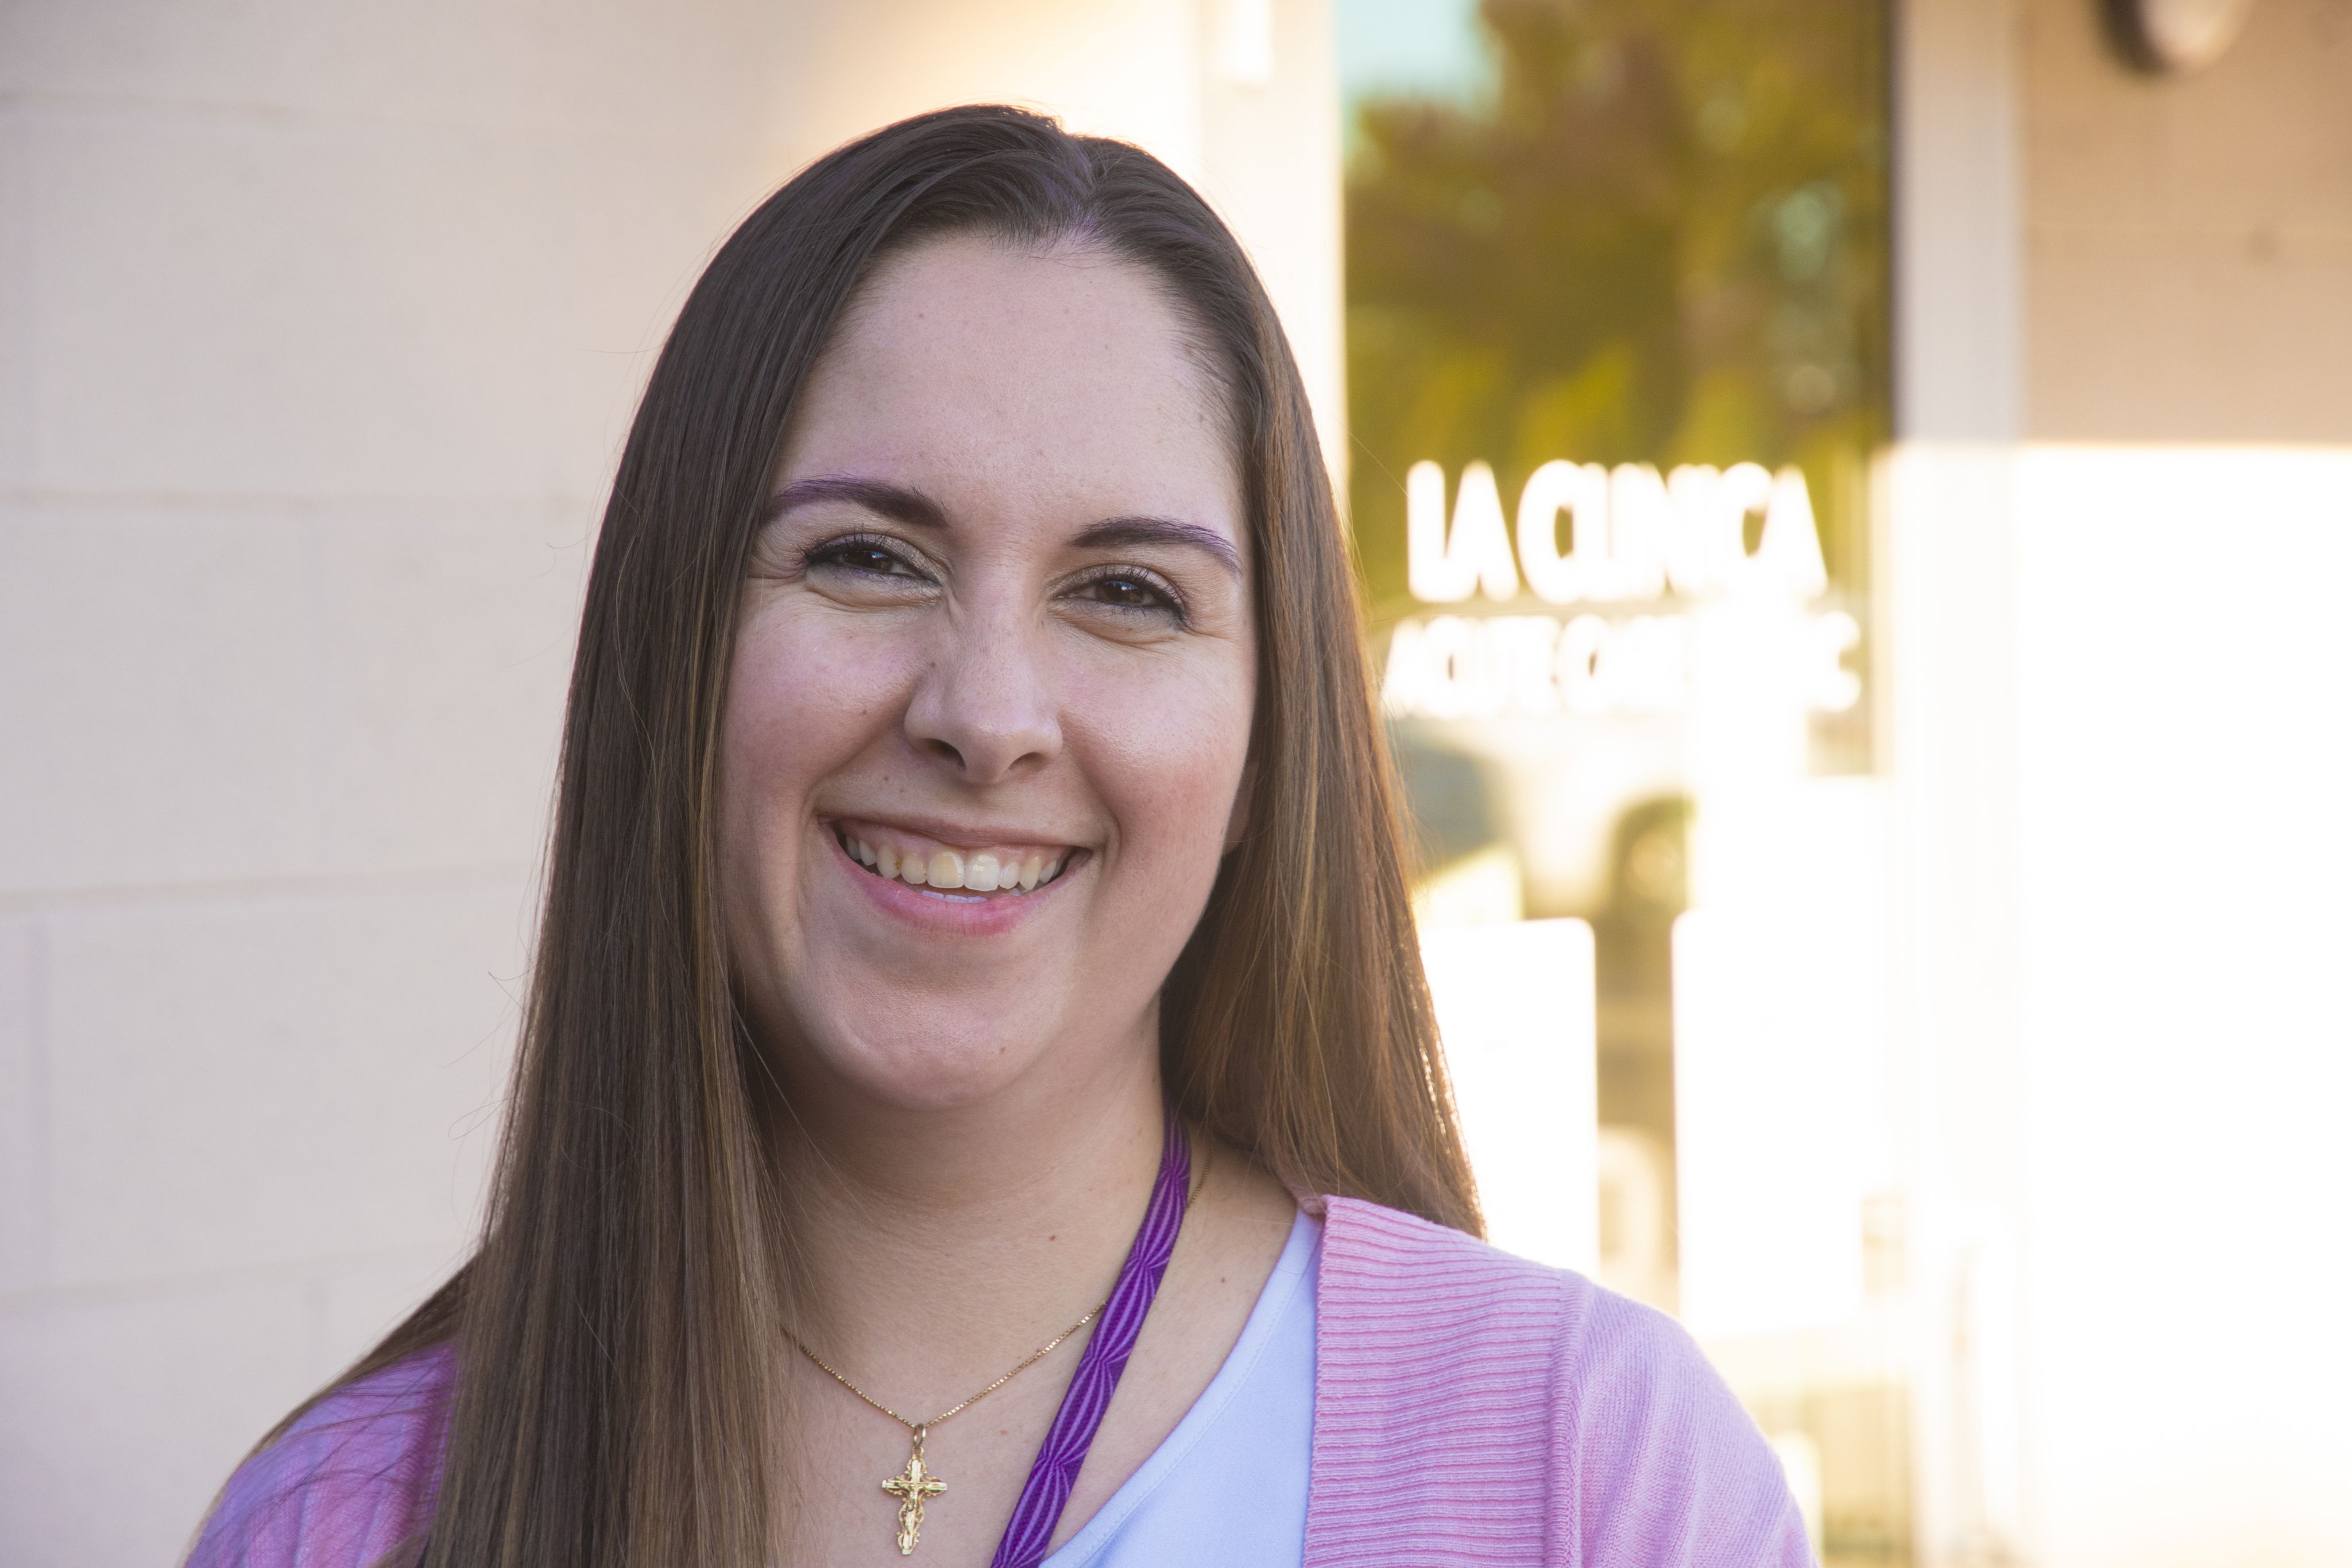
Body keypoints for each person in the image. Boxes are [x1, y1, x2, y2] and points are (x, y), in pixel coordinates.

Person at [184, 104, 1810, 1568]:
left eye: (1125, 590)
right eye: (871, 557)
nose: (991, 712)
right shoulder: (340, 1528)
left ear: (1269, 740)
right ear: (671, 660)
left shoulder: (1596, 1478)